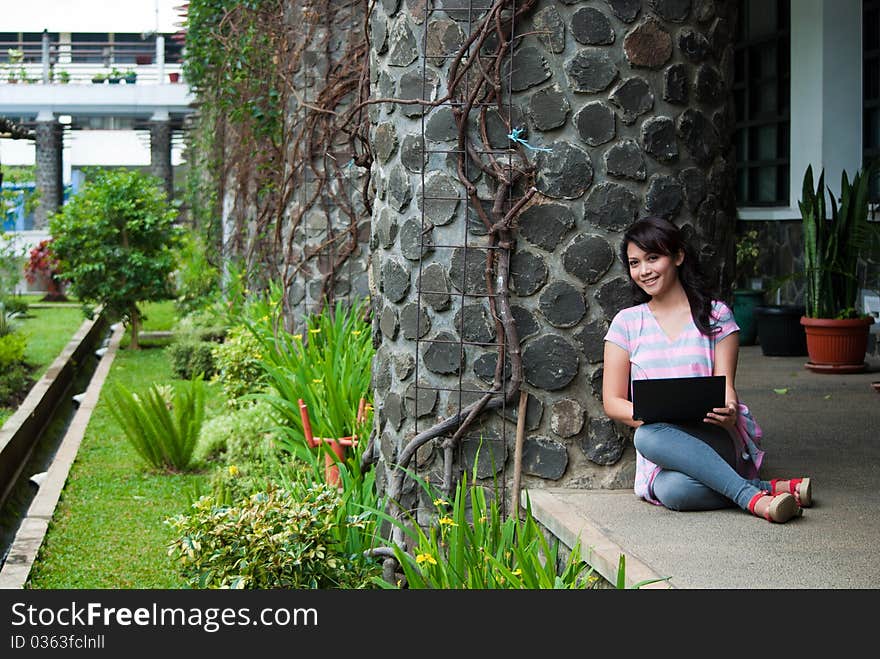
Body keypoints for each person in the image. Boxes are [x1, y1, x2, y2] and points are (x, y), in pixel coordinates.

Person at [602, 216, 812, 523]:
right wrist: (657, 416)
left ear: (677, 256)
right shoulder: (627, 323)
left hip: (713, 435)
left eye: (653, 258)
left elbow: (726, 384)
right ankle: (765, 489)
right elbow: (612, 402)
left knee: (646, 437)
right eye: (635, 263)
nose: (644, 271)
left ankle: (752, 500)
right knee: (671, 488)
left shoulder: (716, 316)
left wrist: (729, 407)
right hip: (662, 444)